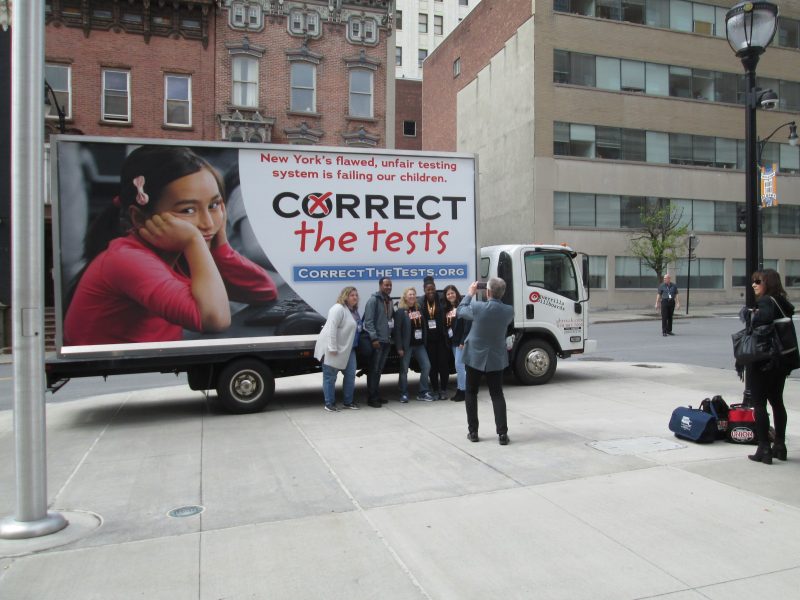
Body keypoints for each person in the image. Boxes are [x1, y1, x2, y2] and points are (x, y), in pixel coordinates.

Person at [64, 146, 277, 345]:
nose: (208, 223)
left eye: (213, 206)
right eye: (187, 210)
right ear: (139, 218)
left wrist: (219, 246)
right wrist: (195, 242)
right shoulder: (126, 259)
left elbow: (263, 292)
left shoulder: (178, 253)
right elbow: (215, 318)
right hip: (113, 380)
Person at [743, 269, 797, 464]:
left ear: (768, 283)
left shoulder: (766, 302)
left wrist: (748, 314)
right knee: (777, 402)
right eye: (753, 282)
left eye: (758, 281)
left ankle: (764, 448)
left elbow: (761, 321)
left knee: (759, 404)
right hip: (780, 361)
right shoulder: (782, 302)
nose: (754, 285)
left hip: (765, 360)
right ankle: (780, 446)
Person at [457, 278, 515, 445]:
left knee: (471, 392)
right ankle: (502, 434)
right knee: (497, 394)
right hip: (496, 357)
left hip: (475, 356)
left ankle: (473, 431)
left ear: (487, 292)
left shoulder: (477, 307)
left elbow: (460, 311)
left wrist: (470, 294)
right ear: (502, 293)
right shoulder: (509, 311)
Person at [314, 286, 362, 412]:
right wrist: (332, 347)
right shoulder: (338, 309)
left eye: (356, 295)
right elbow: (331, 329)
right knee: (330, 376)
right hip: (334, 349)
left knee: (350, 375)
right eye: (352, 295)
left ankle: (348, 402)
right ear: (345, 296)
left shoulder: (354, 311)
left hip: (348, 349)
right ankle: (329, 403)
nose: (355, 297)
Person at [394, 287, 435, 402]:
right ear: (405, 297)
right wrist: (399, 347)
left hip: (419, 344)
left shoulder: (419, 309)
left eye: (413, 294)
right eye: (409, 294)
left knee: (426, 366)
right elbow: (397, 331)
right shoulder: (401, 311)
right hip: (407, 346)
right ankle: (404, 393)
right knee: (404, 370)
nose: (412, 296)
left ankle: (423, 392)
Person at [363, 276, 394, 408]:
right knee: (374, 369)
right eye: (386, 285)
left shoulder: (389, 301)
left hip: (386, 340)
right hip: (377, 341)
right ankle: (371, 397)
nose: (388, 287)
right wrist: (374, 338)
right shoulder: (373, 300)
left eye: (390, 285)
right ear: (380, 285)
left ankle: (376, 394)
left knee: (379, 369)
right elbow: (368, 322)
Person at [422, 279, 450, 399]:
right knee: (432, 366)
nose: (430, 291)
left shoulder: (442, 300)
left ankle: (443, 389)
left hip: (442, 339)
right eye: (428, 290)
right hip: (429, 341)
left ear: (435, 288)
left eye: (432, 289)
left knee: (443, 365)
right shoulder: (421, 302)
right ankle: (434, 389)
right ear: (424, 290)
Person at [443, 284, 469, 402]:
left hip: (460, 342)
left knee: (460, 366)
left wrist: (463, 340)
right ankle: (460, 390)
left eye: (452, 293)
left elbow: (467, 325)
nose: (450, 295)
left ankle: (463, 391)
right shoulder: (447, 309)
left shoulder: (462, 306)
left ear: (456, 293)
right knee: (459, 366)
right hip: (453, 342)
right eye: (448, 294)